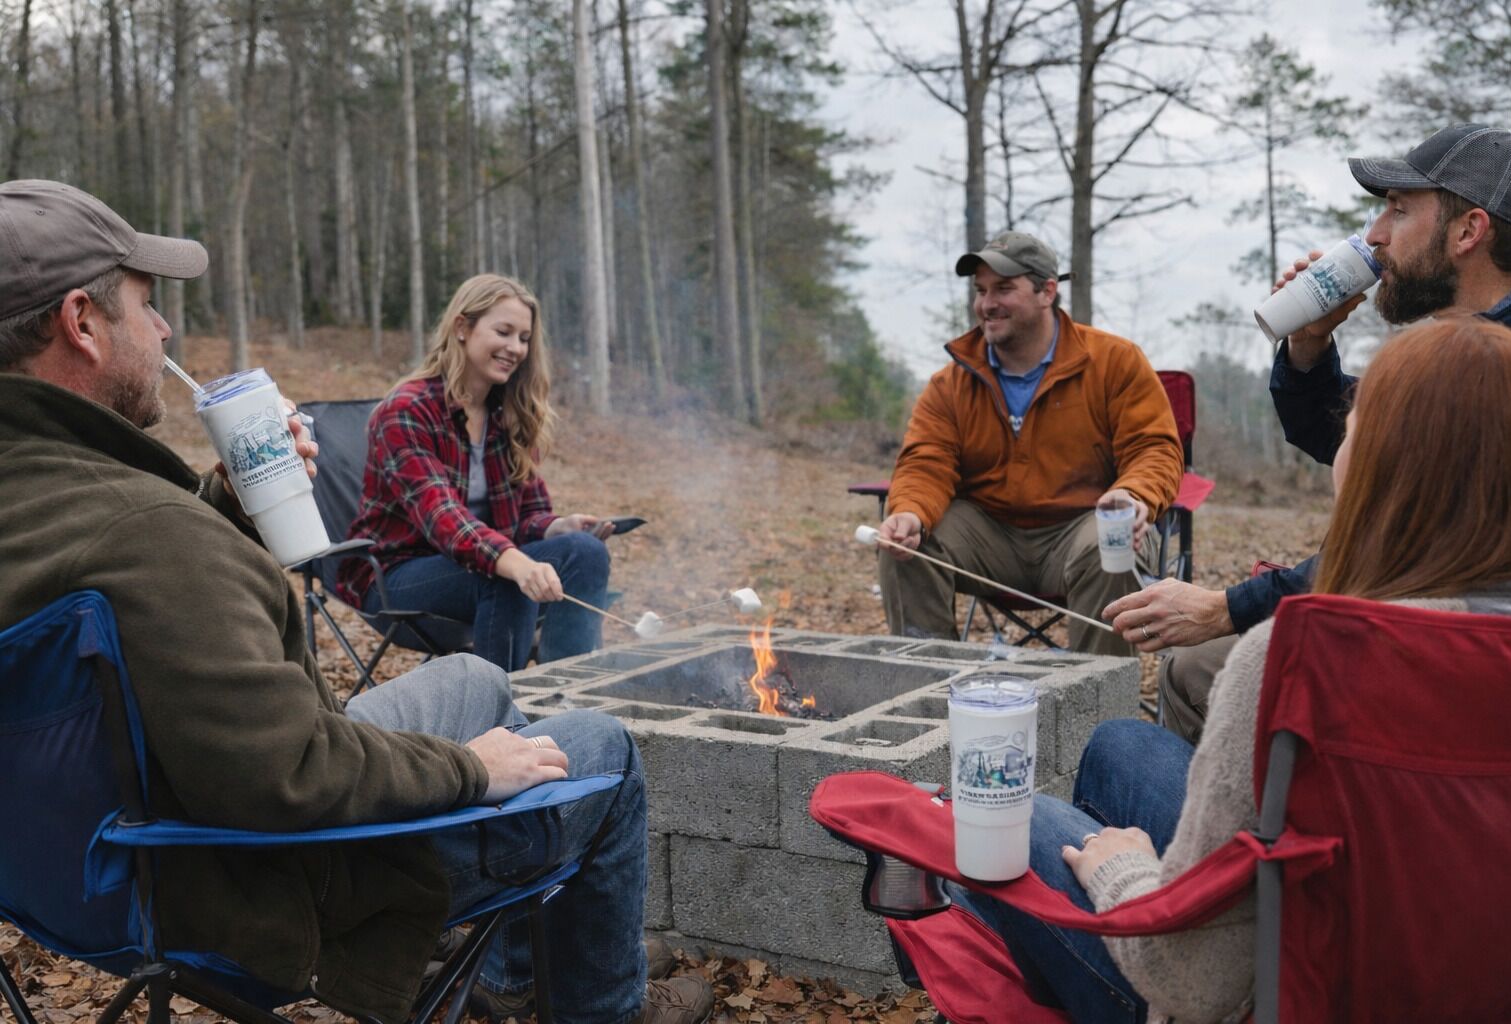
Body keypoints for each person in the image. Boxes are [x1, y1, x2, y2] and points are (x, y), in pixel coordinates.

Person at [0, 179, 712, 1024]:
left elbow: (142, 589)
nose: (162, 330)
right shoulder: (150, 533)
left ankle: (524, 954)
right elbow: (295, 774)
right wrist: (472, 771)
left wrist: (225, 512)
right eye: (148, 306)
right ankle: (597, 998)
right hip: (273, 886)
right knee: (601, 748)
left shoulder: (70, 506)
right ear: (81, 323)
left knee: (478, 680)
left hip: (80, 871)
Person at [948, 317, 1511, 1023]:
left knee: (1000, 818)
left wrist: (1125, 873)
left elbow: (1195, 985)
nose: (1340, 443)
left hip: (1298, 994)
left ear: (1387, 465)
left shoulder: (1300, 660)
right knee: (1119, 746)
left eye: (1353, 426)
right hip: (1471, 966)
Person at [1107, 122, 1511, 742]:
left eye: (1397, 210)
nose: (1375, 235)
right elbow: (1348, 440)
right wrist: (1309, 346)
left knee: (1188, 679)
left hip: (1463, 677)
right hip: (1437, 638)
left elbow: (1389, 544)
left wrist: (1226, 608)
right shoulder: (1470, 348)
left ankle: (1256, 833)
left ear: (1469, 230)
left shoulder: (1507, 372)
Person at [877, 231, 1183, 656]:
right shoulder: (951, 384)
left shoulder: (1115, 361)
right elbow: (926, 461)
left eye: (1004, 288)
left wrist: (1133, 496)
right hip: (989, 536)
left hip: (1080, 528)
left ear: (1047, 291)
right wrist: (910, 512)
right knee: (906, 546)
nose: (987, 303)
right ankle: (929, 690)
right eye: (981, 291)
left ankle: (1099, 711)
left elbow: (1154, 447)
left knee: (1110, 544)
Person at [337, 274, 615, 672]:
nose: (515, 348)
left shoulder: (508, 413)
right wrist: (514, 561)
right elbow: (443, 518)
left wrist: (556, 528)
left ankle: (564, 696)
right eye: (503, 332)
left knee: (585, 552)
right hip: (397, 576)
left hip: (480, 564)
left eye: (523, 338)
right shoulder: (407, 410)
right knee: (503, 574)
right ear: (462, 328)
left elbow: (526, 517)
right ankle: (497, 715)